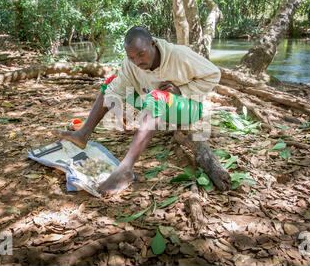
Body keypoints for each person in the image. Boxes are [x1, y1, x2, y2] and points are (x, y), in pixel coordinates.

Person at [54, 26, 220, 196]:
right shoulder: (131, 63)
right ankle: (83, 134)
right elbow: (114, 91)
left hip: (188, 108)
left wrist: (181, 90)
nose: (137, 61)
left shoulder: (179, 54)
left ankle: (125, 169)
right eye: (131, 57)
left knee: (157, 97)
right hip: (154, 101)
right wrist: (119, 114)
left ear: (152, 44)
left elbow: (214, 74)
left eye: (141, 54)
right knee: (111, 82)